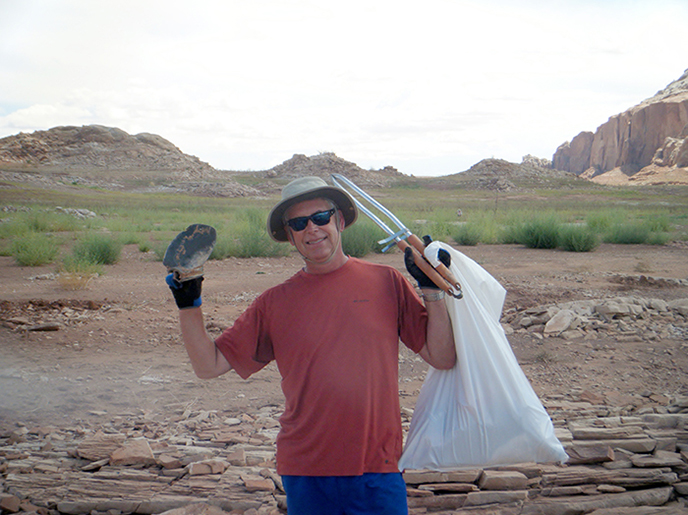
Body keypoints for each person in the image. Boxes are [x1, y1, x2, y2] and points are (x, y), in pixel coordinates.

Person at [167, 176, 456, 515]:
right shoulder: (274, 303)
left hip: (378, 466)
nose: (312, 229)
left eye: (321, 217)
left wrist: (431, 290)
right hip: (307, 470)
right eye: (298, 223)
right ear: (289, 235)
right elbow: (208, 365)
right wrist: (189, 304)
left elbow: (442, 356)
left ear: (340, 220)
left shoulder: (386, 282)